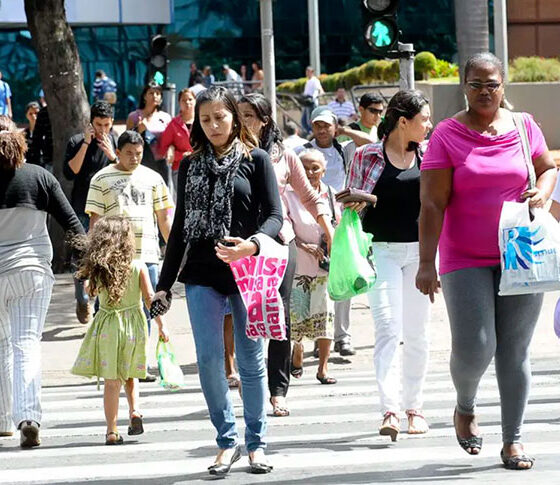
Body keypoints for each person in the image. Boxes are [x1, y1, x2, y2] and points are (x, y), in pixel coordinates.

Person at [416, 52, 556, 470]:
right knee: (476, 346)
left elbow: (547, 168)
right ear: (464, 85)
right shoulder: (447, 134)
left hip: (520, 252)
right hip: (464, 255)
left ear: (503, 85)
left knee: (515, 350)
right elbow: (432, 203)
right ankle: (465, 405)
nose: (484, 92)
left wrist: (545, 191)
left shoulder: (523, 125)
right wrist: (426, 262)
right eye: (475, 84)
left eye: (491, 84)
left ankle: (513, 440)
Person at [154, 86, 282, 475]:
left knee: (250, 360)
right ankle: (226, 441)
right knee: (210, 362)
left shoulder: (257, 160)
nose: (213, 125)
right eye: (205, 119)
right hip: (202, 274)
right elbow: (178, 231)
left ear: (235, 118)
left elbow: (275, 216)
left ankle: (256, 443)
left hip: (248, 271)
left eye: (220, 117)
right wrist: (164, 284)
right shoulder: (189, 165)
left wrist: (253, 245)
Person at [238, 93, 334, 416]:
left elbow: (309, 196)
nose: (243, 121)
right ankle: (250, 381)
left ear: (265, 120)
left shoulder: (285, 157)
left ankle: (278, 390)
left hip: (281, 243)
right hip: (242, 247)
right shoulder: (230, 153)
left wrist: (328, 229)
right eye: (239, 115)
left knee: (280, 316)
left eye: (249, 115)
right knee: (246, 316)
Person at [347, 90, 433, 442]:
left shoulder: (429, 156)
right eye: (423, 119)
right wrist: (361, 201)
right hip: (380, 251)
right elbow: (349, 202)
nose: (428, 125)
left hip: (421, 254)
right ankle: (390, 409)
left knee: (417, 334)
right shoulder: (367, 155)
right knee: (387, 329)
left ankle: (414, 407)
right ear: (403, 121)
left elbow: (441, 203)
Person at [0, 116, 84, 446]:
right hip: (32, 272)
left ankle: (4, 419)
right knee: (26, 344)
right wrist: (90, 267)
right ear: (21, 142)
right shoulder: (40, 177)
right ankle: (28, 417)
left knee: (2, 346)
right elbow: (74, 227)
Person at [71, 216, 169, 445]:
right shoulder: (138, 266)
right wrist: (162, 325)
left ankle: (111, 430)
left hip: (108, 326)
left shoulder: (99, 269)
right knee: (131, 373)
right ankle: (135, 411)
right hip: (134, 327)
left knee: (112, 381)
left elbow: (91, 292)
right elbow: (149, 300)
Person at [85, 130, 174, 382]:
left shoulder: (153, 178)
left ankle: (139, 362)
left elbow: (164, 218)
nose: (134, 158)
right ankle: (107, 359)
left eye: (139, 154)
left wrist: (176, 252)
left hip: (146, 253)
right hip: (112, 257)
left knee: (147, 306)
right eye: (128, 153)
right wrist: (94, 259)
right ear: (119, 151)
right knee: (108, 307)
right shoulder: (101, 179)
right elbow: (95, 221)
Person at [287, 149, 339, 385]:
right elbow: (283, 228)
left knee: (326, 316)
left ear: (324, 170)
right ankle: (297, 349)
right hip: (298, 265)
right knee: (298, 318)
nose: (309, 172)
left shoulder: (331, 195)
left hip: (325, 268)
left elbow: (338, 226)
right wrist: (305, 246)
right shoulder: (288, 195)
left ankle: (323, 368)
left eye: (315, 168)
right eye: (305, 167)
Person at [63, 101, 119, 323]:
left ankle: (98, 307)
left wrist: (112, 155)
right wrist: (86, 143)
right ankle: (82, 298)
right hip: (82, 207)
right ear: (91, 123)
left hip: (108, 209)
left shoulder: (114, 141)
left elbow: (124, 169)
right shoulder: (77, 141)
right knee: (83, 256)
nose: (103, 130)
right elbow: (71, 172)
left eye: (107, 124)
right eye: (98, 124)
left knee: (105, 257)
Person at [126, 82, 173, 190]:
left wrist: (171, 148)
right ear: (144, 96)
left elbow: (171, 139)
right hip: (141, 162)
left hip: (161, 162)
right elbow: (126, 141)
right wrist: (138, 130)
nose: (154, 96)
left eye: (157, 93)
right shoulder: (134, 116)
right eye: (151, 93)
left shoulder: (165, 117)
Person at [159, 87, 195, 199]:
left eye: (190, 99)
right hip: (180, 168)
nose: (187, 103)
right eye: (184, 100)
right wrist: (180, 155)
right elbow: (163, 150)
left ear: (195, 101)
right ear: (179, 102)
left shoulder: (202, 121)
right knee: (183, 202)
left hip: (201, 167)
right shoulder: (173, 124)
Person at [342, 93, 386, 163]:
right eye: (373, 111)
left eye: (380, 112)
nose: (377, 115)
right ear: (361, 109)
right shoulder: (347, 132)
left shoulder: (382, 131)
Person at [300, 66, 324, 134]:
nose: (307, 73)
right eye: (306, 71)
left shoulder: (315, 80)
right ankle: (309, 133)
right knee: (303, 121)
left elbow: (319, 90)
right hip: (306, 101)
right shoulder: (308, 81)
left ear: (312, 72)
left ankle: (312, 133)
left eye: (308, 71)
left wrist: (314, 98)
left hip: (311, 102)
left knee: (310, 120)